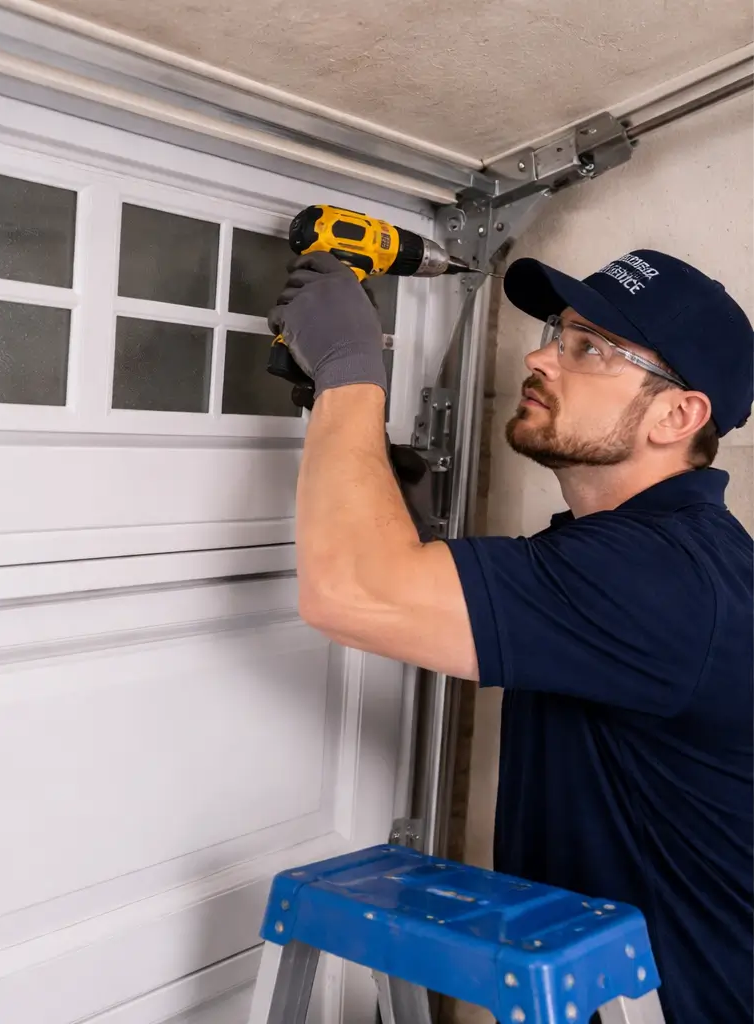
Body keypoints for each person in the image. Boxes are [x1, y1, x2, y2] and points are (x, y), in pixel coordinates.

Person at [268, 247, 753, 1023]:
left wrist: (349, 369)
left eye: (590, 349)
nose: (539, 357)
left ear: (676, 416)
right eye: (557, 332)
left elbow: (349, 593)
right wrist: (385, 510)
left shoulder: (659, 576)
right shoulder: (662, 553)